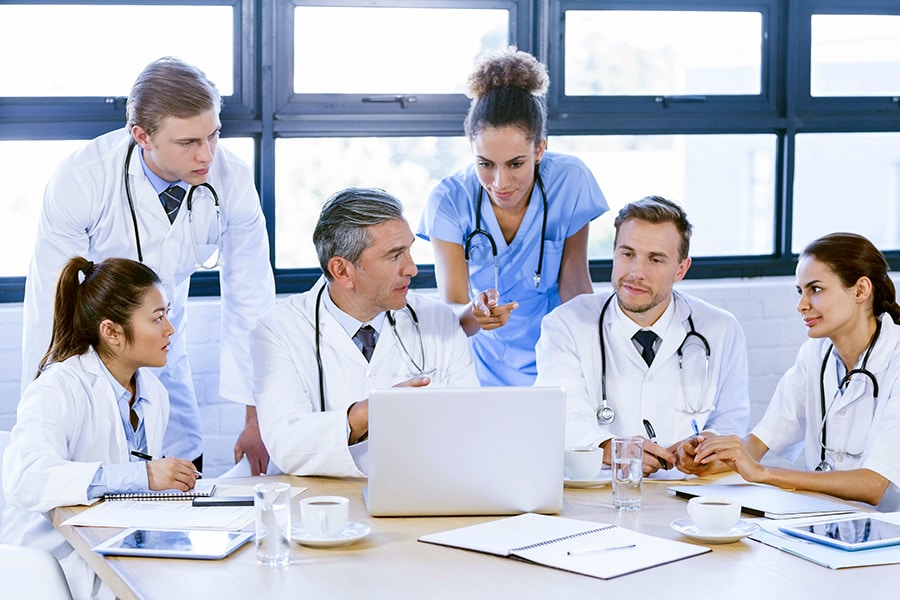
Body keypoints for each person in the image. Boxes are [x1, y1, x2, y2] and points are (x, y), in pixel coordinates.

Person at [21, 57, 275, 475]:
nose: (207, 153)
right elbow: (55, 299)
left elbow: (251, 298)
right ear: (142, 136)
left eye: (214, 134)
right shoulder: (83, 177)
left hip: (165, 354)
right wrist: (61, 398)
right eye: (189, 142)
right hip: (91, 356)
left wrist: (256, 417)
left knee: (182, 467)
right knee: (94, 477)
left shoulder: (231, 179)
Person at [2, 256, 198, 600]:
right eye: (158, 318)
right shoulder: (58, 387)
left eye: (167, 314)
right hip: (53, 564)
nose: (170, 329)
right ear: (111, 332)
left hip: (117, 547)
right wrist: (144, 477)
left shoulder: (155, 394)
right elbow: (25, 478)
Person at [252, 188, 479, 477]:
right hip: (318, 503)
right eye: (395, 255)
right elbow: (286, 446)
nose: (412, 268)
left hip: (421, 491)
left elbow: (471, 427)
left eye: (409, 249)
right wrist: (366, 414)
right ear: (343, 271)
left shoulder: (438, 320)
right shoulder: (278, 330)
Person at [417, 47, 608, 386]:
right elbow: (452, 312)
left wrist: (599, 359)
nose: (500, 183)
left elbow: (575, 285)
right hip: (479, 367)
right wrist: (477, 315)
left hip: (557, 358)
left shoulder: (570, 181)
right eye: (485, 164)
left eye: (516, 164)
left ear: (540, 149)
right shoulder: (448, 200)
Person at [534, 196, 750, 476]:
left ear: (681, 269)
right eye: (627, 254)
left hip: (688, 493)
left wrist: (703, 451)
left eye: (655, 259)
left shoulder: (721, 329)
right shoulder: (566, 324)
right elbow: (557, 415)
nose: (636, 273)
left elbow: (732, 420)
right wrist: (611, 447)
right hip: (598, 492)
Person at [694, 233, 900, 510]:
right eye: (800, 291)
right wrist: (708, 456)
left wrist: (763, 473)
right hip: (828, 523)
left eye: (815, 289)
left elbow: (873, 485)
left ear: (861, 290)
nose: (801, 305)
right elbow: (756, 444)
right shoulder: (814, 355)